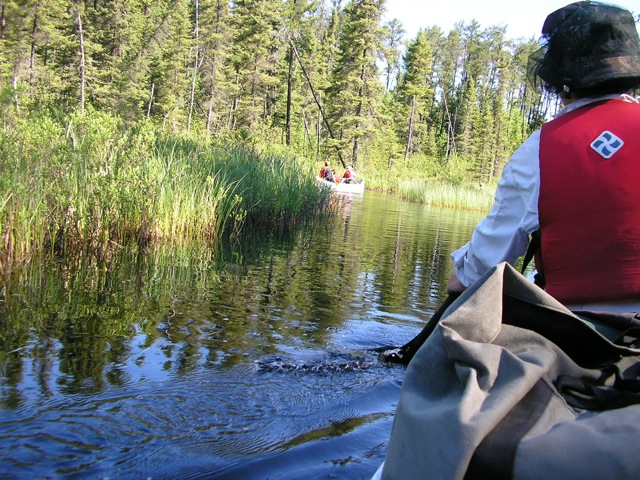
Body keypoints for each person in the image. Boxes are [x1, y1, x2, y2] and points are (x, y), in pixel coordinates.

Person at [446, 1, 640, 313]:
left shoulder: (538, 149)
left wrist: (462, 276)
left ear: (561, 75)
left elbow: (482, 268)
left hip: (574, 329)